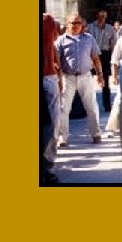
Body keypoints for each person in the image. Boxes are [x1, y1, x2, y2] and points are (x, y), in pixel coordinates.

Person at [55, 14, 104, 145]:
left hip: (86, 76)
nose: (76, 25)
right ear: (67, 24)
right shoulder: (60, 41)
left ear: (82, 24)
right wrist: (59, 81)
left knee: (92, 106)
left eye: (78, 22)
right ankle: (62, 138)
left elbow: (95, 58)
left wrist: (100, 75)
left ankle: (96, 134)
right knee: (63, 108)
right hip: (67, 77)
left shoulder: (89, 39)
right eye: (73, 22)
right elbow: (57, 63)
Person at [41, 10, 61, 183]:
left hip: (48, 76)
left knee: (54, 123)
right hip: (48, 77)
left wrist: (58, 73)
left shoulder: (47, 20)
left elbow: (52, 46)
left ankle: (47, 167)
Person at [87, 8, 117, 112]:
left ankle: (107, 105)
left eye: (104, 16)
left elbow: (113, 43)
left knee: (105, 81)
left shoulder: (110, 28)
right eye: (100, 16)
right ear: (97, 16)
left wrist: (113, 57)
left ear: (106, 17)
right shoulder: (90, 27)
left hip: (105, 55)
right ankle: (89, 106)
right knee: (88, 81)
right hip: (92, 54)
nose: (102, 18)